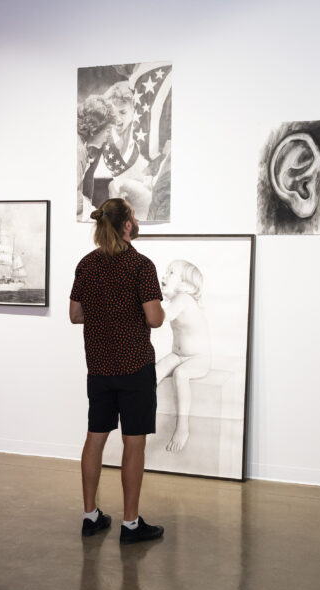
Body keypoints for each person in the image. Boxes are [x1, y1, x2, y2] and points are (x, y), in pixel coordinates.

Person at [70, 198, 166, 544]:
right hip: (134, 366)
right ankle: (130, 524)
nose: (136, 221)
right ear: (126, 225)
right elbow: (154, 318)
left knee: (95, 437)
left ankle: (90, 516)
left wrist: (103, 315)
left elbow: (75, 315)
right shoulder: (140, 265)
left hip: (99, 366)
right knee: (133, 442)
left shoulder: (87, 264)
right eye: (134, 216)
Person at [155, 260, 210, 452]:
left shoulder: (184, 299)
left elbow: (163, 317)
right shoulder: (176, 300)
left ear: (185, 283)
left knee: (181, 374)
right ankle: (138, 409)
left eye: (171, 273)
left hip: (199, 358)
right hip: (178, 355)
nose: (164, 275)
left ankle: (182, 427)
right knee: (155, 371)